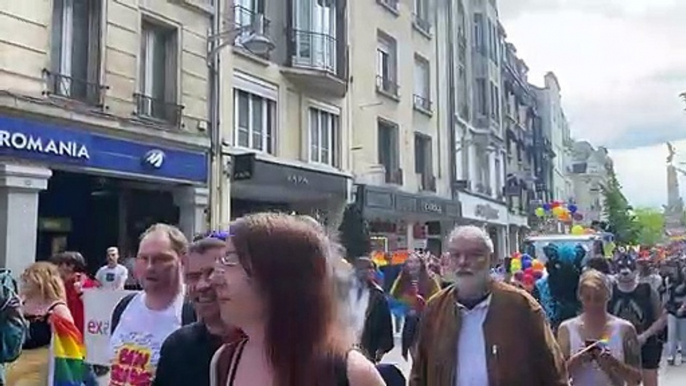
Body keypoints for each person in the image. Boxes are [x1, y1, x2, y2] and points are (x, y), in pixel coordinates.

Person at [209, 213, 384, 386]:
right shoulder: (225, 361)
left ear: (279, 276)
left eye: (231, 260)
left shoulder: (350, 373)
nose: (214, 280)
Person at [410, 225, 567, 386]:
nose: (463, 262)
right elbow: (419, 373)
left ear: (490, 259)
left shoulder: (521, 307)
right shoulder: (436, 309)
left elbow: (553, 371)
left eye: (474, 255)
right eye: (456, 255)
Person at [109, 224, 196, 386]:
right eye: (143, 258)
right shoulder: (125, 306)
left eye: (160, 259)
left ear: (183, 261)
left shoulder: (193, 312)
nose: (149, 267)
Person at [154, 236, 242, 386]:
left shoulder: (264, 346)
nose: (202, 285)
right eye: (192, 277)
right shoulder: (177, 347)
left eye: (213, 273)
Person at [558, 269, 642, 385]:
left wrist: (613, 364)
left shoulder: (625, 329)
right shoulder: (567, 329)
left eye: (598, 299)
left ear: (607, 296)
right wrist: (577, 360)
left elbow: (636, 379)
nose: (592, 304)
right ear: (580, 297)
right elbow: (557, 376)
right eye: (587, 298)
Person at [6, 262, 84, 385]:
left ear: (41, 281)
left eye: (28, 277)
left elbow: (72, 344)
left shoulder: (58, 308)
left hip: (40, 365)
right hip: (14, 362)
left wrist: (58, 328)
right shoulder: (21, 301)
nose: (23, 280)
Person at [608, 252, 666, 386]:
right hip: (619, 344)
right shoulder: (611, 293)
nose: (626, 276)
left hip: (647, 342)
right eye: (621, 273)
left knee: (650, 379)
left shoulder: (647, 291)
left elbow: (661, 319)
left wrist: (644, 336)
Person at [50, 251, 100, 386]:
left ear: (70, 266)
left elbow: (98, 308)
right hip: (68, 334)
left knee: (83, 369)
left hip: (82, 335)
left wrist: (82, 294)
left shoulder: (87, 284)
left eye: (60, 265)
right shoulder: (63, 285)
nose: (57, 269)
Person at [390, 252, 440, 359]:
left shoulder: (430, 279)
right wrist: (410, 301)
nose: (413, 265)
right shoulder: (402, 279)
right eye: (410, 262)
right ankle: (408, 352)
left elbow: (438, 297)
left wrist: (423, 303)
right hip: (410, 318)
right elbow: (394, 296)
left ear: (421, 264)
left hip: (426, 318)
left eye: (416, 262)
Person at [347, 257, 393, 363]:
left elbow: (385, 322)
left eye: (372, 269)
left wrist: (382, 348)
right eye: (366, 269)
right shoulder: (345, 292)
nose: (371, 272)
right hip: (346, 343)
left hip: (368, 346)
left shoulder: (377, 296)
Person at [663, 258, 686, 365]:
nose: (671, 270)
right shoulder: (668, 280)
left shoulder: (684, 280)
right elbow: (666, 295)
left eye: (673, 267)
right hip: (671, 309)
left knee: (683, 333)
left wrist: (683, 307)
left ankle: (684, 355)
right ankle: (671, 355)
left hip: (683, 309)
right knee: (671, 333)